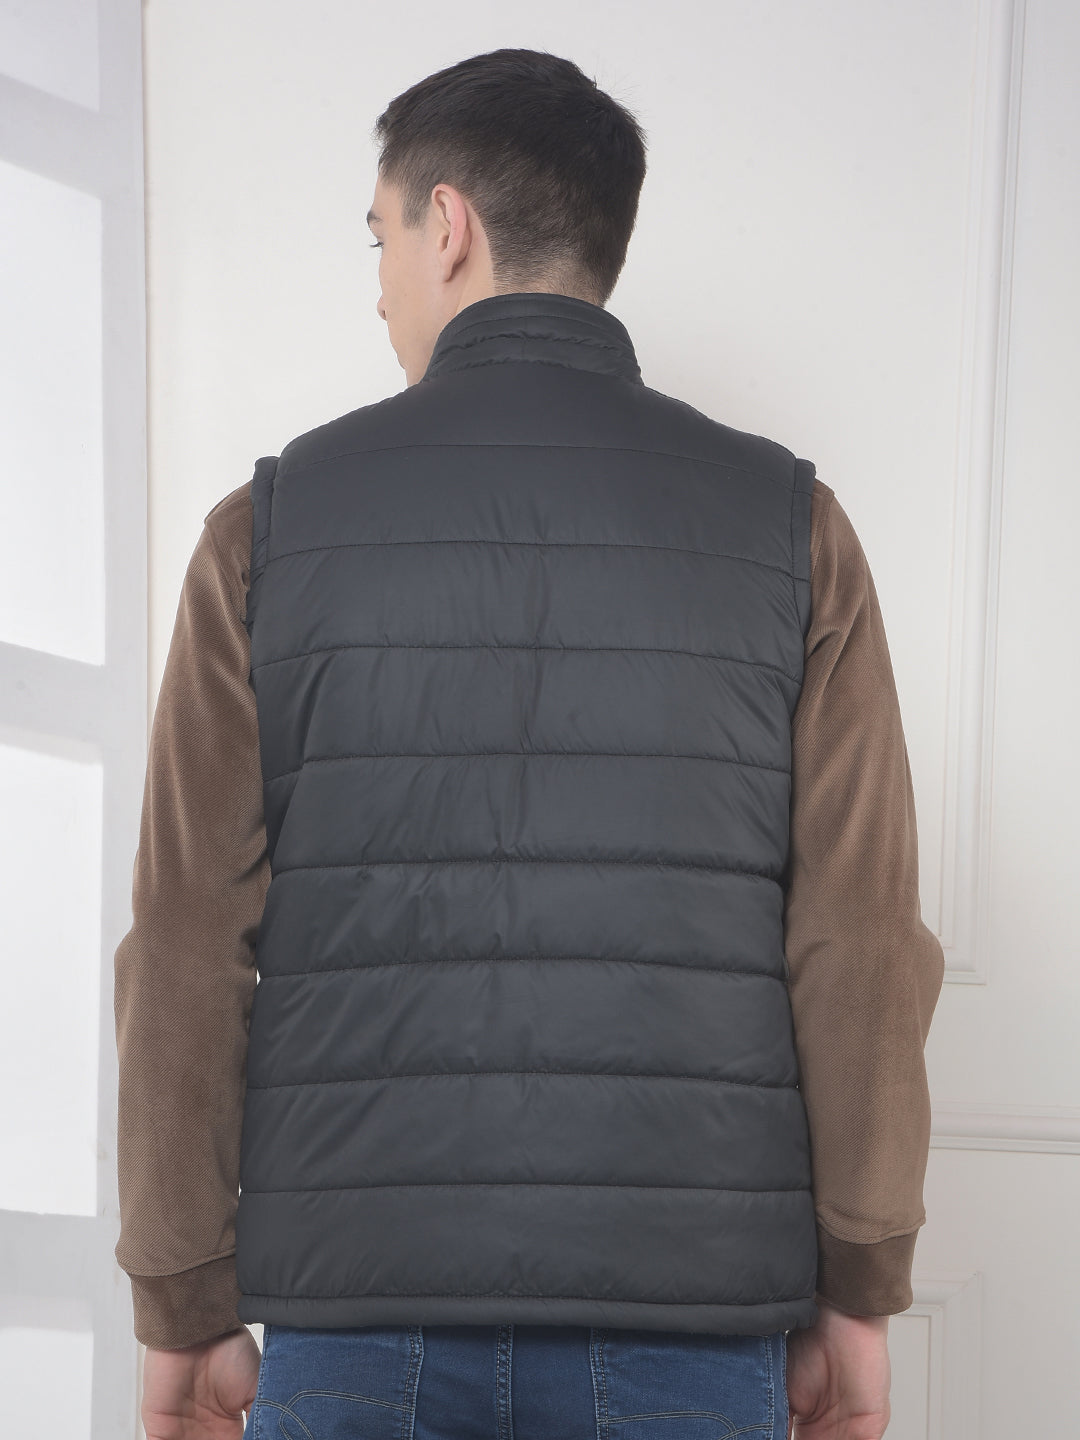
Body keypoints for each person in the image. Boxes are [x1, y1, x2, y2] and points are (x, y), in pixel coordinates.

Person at [112, 46, 945, 1440]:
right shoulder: (793, 529)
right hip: (691, 1324)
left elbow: (189, 938)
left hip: (357, 1323)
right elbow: (858, 938)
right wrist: (860, 1289)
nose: (379, 283)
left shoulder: (268, 531)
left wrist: (181, 1298)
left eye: (379, 237)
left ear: (448, 226)